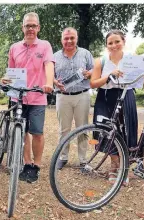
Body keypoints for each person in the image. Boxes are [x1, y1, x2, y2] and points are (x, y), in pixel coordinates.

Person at [90, 29, 144, 185]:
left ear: (123, 42)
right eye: (110, 43)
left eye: (117, 42)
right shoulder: (100, 61)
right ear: (106, 45)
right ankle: (114, 165)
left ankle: (125, 167)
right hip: (106, 97)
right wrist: (109, 75)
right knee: (106, 131)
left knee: (126, 131)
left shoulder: (132, 59)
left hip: (126, 94)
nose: (114, 45)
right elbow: (93, 83)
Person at [3, 12, 55, 183]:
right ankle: (27, 163)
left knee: (37, 133)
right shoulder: (14, 47)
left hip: (37, 96)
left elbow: (49, 65)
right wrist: (5, 79)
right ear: (22, 28)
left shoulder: (45, 46)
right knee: (22, 132)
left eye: (33, 25)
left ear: (38, 28)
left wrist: (48, 83)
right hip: (18, 97)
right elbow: (11, 72)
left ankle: (36, 165)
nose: (30, 28)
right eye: (27, 25)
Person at [53, 27, 94, 170]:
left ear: (76, 38)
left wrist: (89, 73)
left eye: (72, 38)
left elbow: (95, 69)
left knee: (82, 128)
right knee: (64, 130)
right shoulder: (55, 56)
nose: (69, 41)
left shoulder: (85, 53)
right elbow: (48, 75)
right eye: (66, 38)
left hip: (82, 95)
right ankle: (63, 157)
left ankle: (83, 160)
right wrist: (53, 81)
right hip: (63, 97)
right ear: (61, 40)